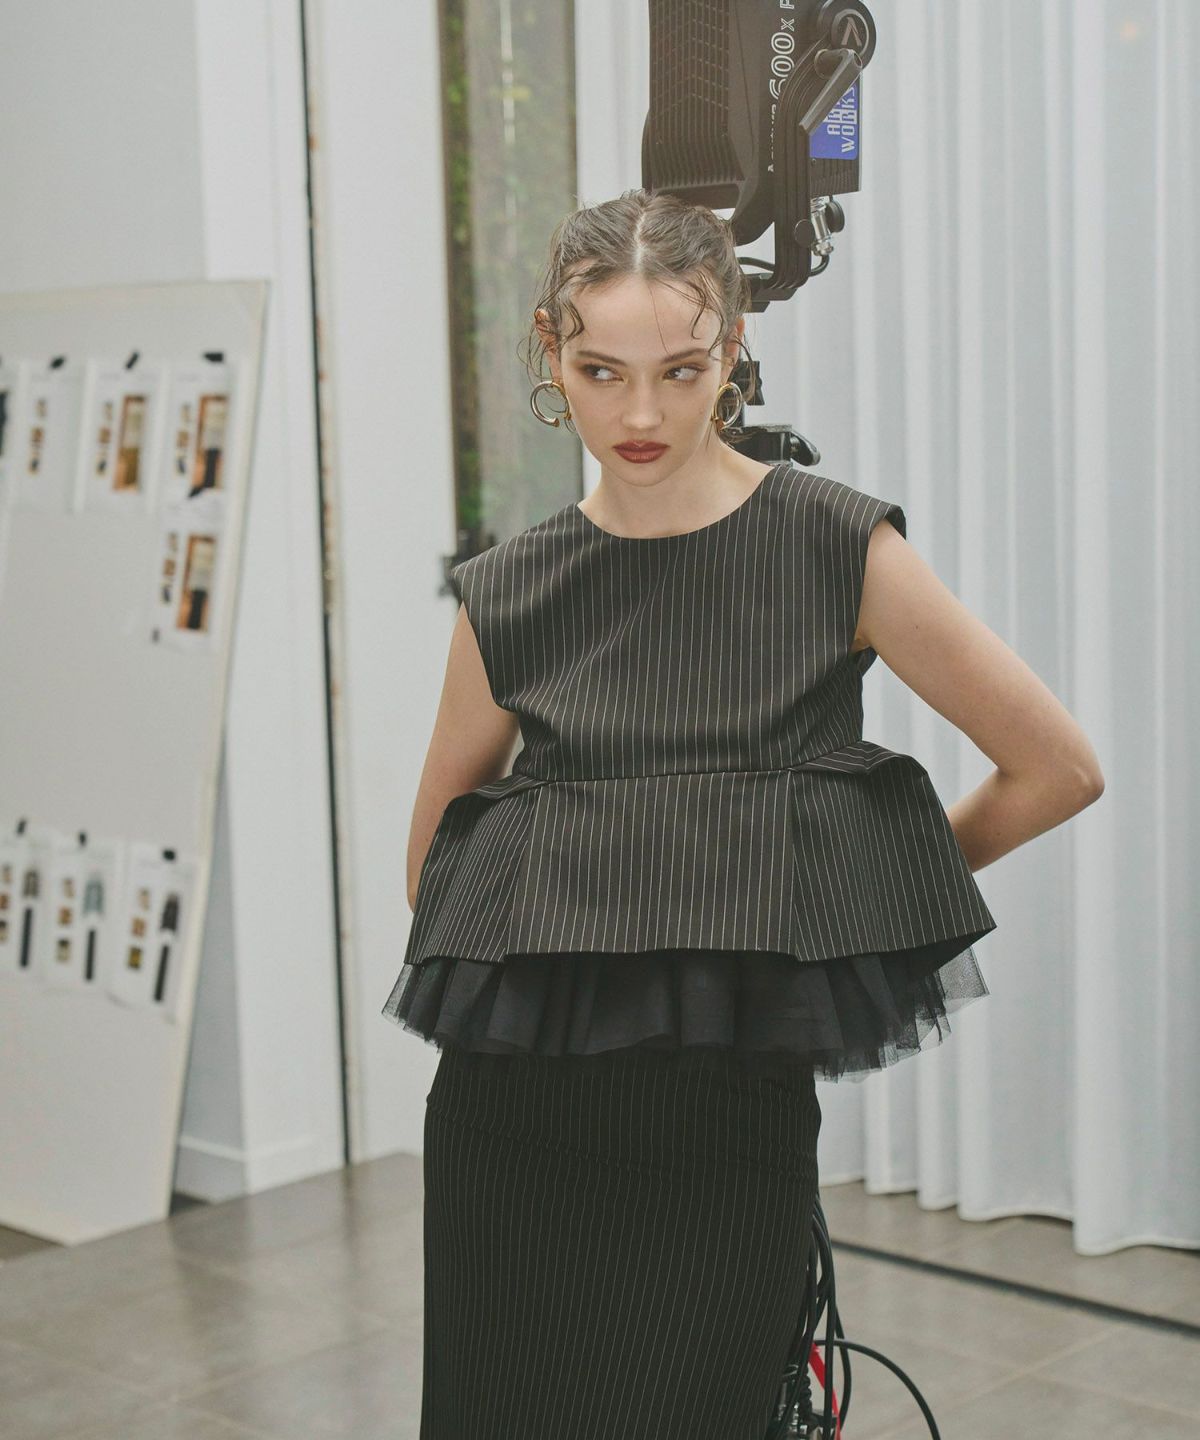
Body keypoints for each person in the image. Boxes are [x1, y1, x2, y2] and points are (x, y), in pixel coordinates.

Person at [383, 188, 1105, 1440]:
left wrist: (851, 902)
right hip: (516, 1134)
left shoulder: (833, 546)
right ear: (552, 352)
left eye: (682, 368)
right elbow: (433, 879)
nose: (642, 415)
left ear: (733, 350)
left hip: (725, 1133)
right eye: (602, 372)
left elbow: (1057, 767)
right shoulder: (509, 592)